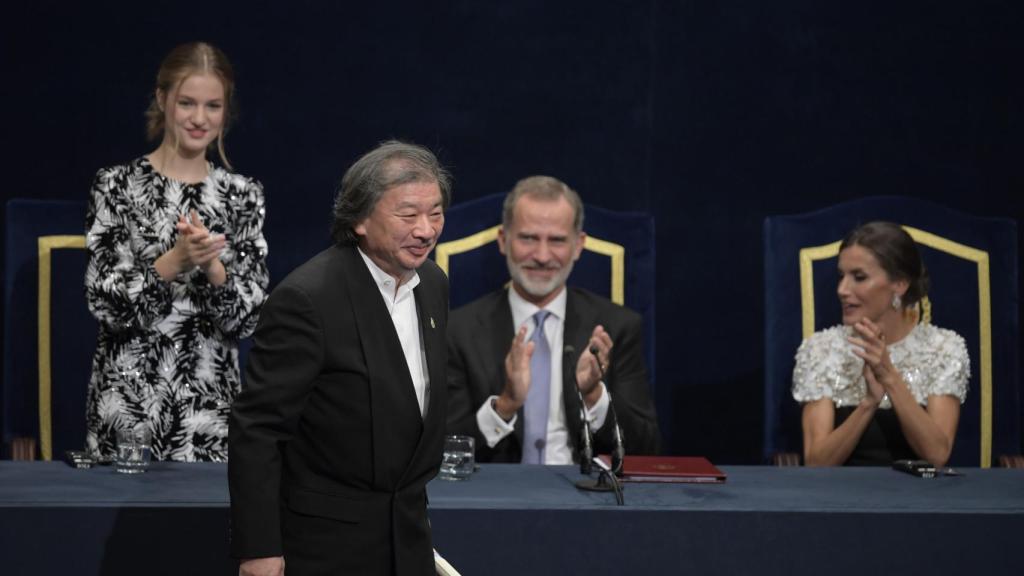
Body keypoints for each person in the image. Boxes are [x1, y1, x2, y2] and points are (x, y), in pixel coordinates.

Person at [228, 141, 451, 576]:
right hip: (325, 547)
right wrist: (259, 549)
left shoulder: (433, 284)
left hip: (407, 541)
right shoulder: (308, 298)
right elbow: (257, 430)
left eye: (436, 213)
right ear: (360, 220)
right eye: (408, 215)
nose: (426, 230)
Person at [84, 42, 268, 462]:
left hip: (210, 413)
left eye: (212, 105)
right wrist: (174, 262)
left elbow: (251, 318)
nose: (200, 118)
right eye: (187, 103)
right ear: (162, 98)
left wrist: (213, 268)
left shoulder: (242, 195)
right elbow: (104, 300)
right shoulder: (116, 186)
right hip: (128, 406)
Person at [446, 175, 660, 465]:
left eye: (557, 240)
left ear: (578, 245)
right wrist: (505, 405)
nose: (543, 256)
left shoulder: (616, 327)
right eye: (528, 238)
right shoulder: (459, 330)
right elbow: (443, 450)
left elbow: (646, 449)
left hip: (586, 500)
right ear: (503, 240)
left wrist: (594, 395)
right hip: (494, 499)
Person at [793, 221, 970, 467]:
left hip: (919, 498)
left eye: (859, 277)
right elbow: (816, 462)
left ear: (899, 283)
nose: (842, 289)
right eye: (841, 276)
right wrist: (868, 403)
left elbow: (937, 456)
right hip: (842, 498)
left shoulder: (943, 348)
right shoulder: (820, 349)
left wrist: (888, 377)